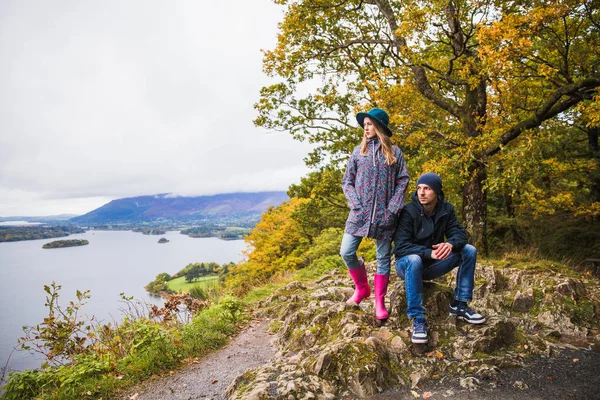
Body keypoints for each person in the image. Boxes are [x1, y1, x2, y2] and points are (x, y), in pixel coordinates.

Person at [393, 172, 485, 344]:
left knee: (469, 250)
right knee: (414, 259)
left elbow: (459, 235)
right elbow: (400, 246)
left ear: (436, 191)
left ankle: (460, 304)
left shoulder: (446, 209)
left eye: (427, 189)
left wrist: (450, 243)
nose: (421, 193)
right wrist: (428, 253)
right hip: (407, 265)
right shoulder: (408, 211)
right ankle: (418, 318)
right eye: (419, 188)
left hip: (433, 264)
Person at [340, 108, 409, 321]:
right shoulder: (357, 152)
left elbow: (403, 180)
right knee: (346, 252)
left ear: (379, 127)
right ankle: (362, 289)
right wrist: (355, 203)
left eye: (370, 124)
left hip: (385, 215)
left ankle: (380, 300)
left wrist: (393, 208)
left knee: (382, 259)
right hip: (359, 213)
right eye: (365, 124)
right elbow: (347, 181)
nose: (366, 128)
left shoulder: (395, 152)